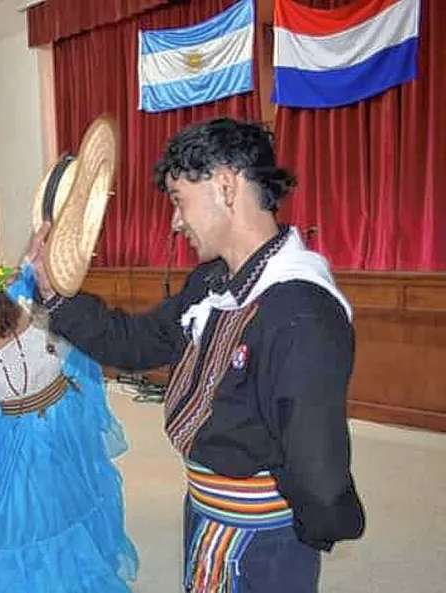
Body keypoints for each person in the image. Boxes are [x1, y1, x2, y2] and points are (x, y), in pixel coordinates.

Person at [30, 118, 365, 592]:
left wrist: (316, 526)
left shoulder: (300, 309)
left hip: (265, 537)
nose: (175, 221)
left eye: (178, 199)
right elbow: (138, 341)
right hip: (206, 510)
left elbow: (318, 462)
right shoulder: (211, 281)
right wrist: (58, 298)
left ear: (226, 186)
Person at [0, 267, 138, 592]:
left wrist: (72, 386)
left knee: (71, 500)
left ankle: (74, 575)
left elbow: (72, 344)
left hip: (64, 424)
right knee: (32, 518)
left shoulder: (33, 317)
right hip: (19, 440)